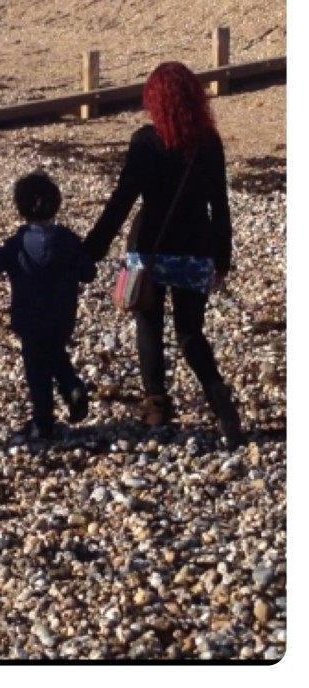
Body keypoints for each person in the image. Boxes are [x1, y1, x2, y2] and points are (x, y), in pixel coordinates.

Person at [84, 62, 241, 448]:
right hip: (195, 250)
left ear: (153, 101)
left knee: (149, 326)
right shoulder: (209, 143)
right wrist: (223, 257)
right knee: (190, 332)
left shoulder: (145, 142)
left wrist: (93, 247)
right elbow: (219, 206)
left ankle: (156, 405)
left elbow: (123, 200)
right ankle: (217, 392)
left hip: (150, 250)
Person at [0, 171, 95, 440]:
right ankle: (73, 388)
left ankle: (43, 423)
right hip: (62, 317)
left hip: (30, 318)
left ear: (20, 208)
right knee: (55, 352)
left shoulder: (18, 245)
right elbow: (89, 273)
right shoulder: (68, 240)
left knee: (38, 372)